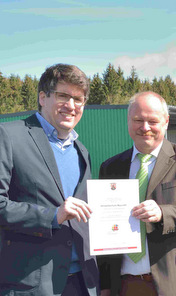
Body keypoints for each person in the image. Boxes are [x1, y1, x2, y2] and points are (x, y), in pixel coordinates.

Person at [97, 91, 176, 296]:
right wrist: (105, 284)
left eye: (152, 121)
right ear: (128, 121)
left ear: (166, 122)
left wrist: (163, 214)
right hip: (127, 284)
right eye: (138, 120)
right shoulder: (110, 167)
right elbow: (105, 230)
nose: (145, 127)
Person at [0, 64, 99, 295]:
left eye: (79, 99)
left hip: (83, 283)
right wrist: (52, 216)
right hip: (32, 284)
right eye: (63, 96)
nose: (72, 106)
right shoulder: (9, 136)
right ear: (42, 97)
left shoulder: (81, 151)